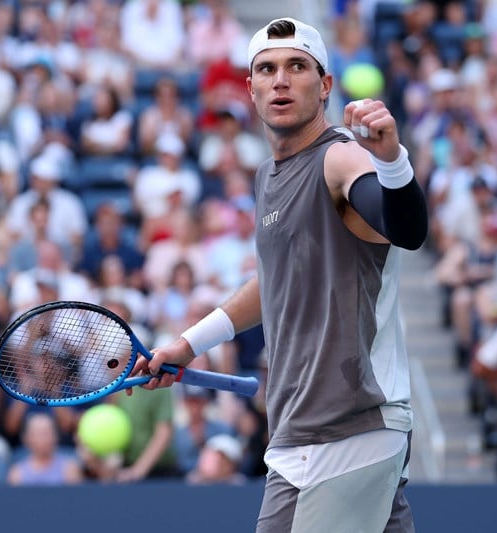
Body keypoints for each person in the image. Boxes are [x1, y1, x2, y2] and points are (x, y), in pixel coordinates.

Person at [132, 17, 427, 532]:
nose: (281, 80)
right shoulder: (266, 177)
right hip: (293, 436)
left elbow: (406, 228)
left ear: (326, 85)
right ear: (250, 89)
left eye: (297, 66)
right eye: (266, 69)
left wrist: (393, 163)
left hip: (353, 427)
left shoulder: (341, 158)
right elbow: (275, 282)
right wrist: (189, 343)